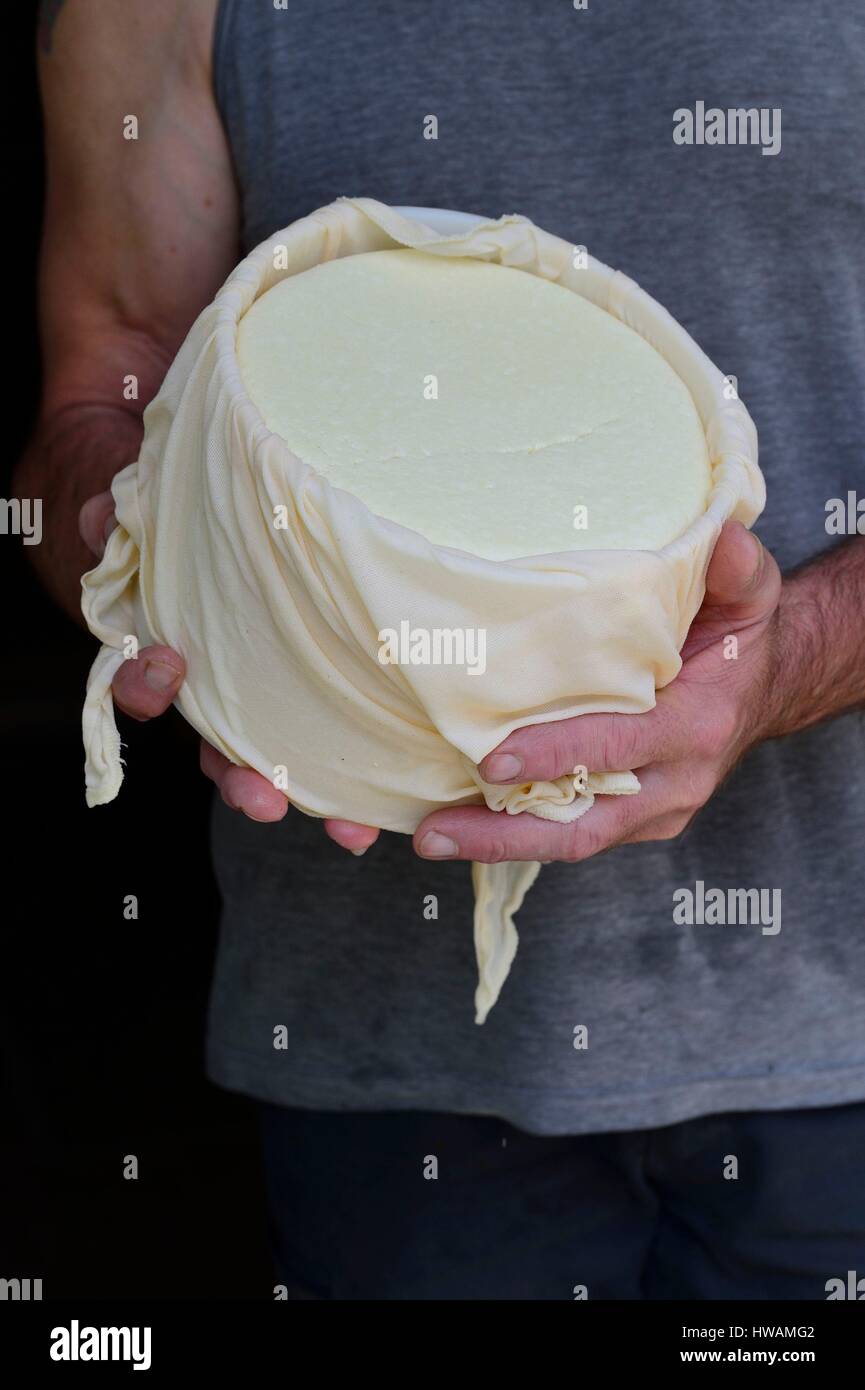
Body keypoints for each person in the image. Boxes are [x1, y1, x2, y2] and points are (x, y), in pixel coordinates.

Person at [18, 0, 865, 1300]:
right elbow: (107, 376)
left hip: (837, 1044)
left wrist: (787, 657)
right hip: (378, 1055)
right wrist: (148, 557)